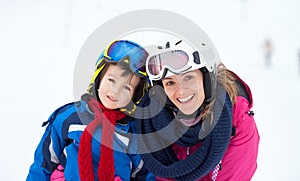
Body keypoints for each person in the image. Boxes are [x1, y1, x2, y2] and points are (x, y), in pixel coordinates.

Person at [26, 40, 155, 181]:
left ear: (135, 96)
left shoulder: (134, 132)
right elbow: (43, 164)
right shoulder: (69, 118)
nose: (115, 91)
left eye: (126, 88)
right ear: (98, 79)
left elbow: (143, 174)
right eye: (111, 80)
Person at [136, 36, 260, 181]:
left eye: (188, 78)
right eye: (170, 83)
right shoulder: (156, 121)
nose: (181, 91)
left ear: (207, 78)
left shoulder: (236, 118)